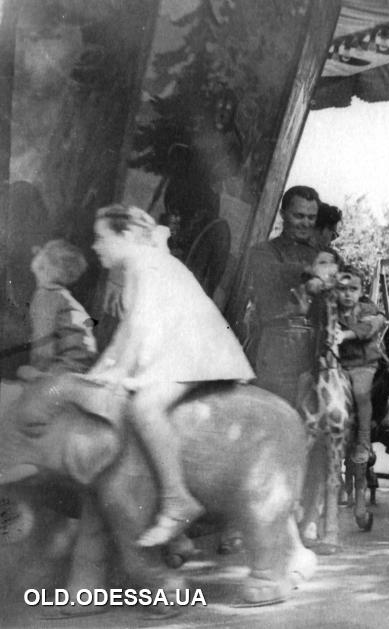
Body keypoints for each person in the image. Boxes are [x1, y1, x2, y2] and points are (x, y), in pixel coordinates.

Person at [87, 204, 254, 548]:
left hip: (194, 353)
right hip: (179, 350)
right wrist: (100, 371)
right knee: (121, 395)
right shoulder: (141, 264)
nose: (95, 245)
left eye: (101, 237)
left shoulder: (143, 263)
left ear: (127, 235)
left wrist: (120, 371)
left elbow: (139, 323)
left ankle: (177, 499)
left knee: (145, 408)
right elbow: (124, 334)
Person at [241, 185, 321, 404]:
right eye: (299, 216)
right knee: (275, 408)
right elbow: (271, 274)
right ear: (283, 214)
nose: (305, 223)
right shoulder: (263, 252)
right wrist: (308, 271)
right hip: (279, 345)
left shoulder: (322, 255)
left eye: (311, 218)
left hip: (315, 348)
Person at [334, 267, 387, 465]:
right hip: (340, 364)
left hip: (364, 364)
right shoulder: (331, 310)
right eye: (342, 289)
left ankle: (364, 440)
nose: (347, 294)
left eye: (353, 289)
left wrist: (345, 335)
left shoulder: (366, 309)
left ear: (361, 291)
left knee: (361, 393)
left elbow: (368, 328)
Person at [28, 239, 97, 374]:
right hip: (78, 371)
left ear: (43, 266)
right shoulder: (63, 297)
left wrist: (35, 374)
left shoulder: (47, 295)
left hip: (62, 373)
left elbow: (43, 346)